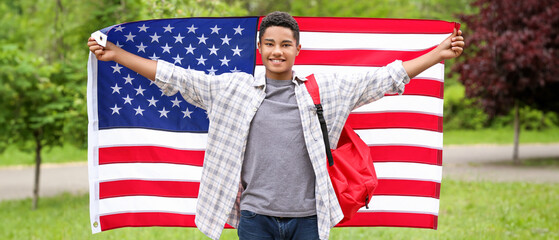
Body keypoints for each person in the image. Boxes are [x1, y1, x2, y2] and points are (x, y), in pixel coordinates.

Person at [88, 11, 464, 240]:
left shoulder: (325, 90)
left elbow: (385, 78)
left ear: (298, 49)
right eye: (269, 44)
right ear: (260, 49)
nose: (276, 51)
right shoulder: (231, 90)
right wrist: (117, 55)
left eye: (285, 44)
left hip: (308, 220)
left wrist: (437, 54)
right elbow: (175, 77)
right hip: (255, 220)